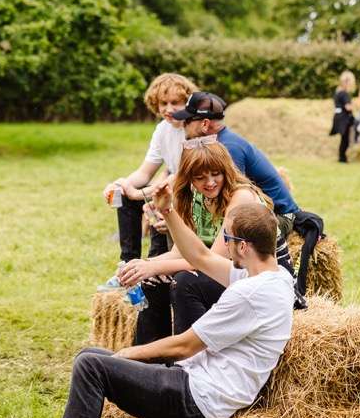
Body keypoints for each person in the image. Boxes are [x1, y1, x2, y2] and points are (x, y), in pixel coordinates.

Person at [0, 202, 294, 418]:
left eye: (227, 239)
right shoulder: (275, 278)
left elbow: (184, 346)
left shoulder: (249, 294)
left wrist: (127, 354)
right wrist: (168, 211)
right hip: (200, 386)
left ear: (243, 247)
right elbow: (200, 258)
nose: (224, 246)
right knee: (91, 356)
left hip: (198, 399)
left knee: (91, 365)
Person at [117, 143, 294, 344]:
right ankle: (151, 358)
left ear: (226, 171)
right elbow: (179, 253)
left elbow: (212, 260)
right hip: (229, 269)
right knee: (152, 280)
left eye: (216, 174)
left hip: (262, 276)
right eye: (200, 177)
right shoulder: (193, 196)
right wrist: (142, 266)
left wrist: (153, 266)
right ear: (190, 178)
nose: (209, 183)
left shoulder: (241, 196)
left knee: (185, 281)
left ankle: (188, 360)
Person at [100, 72, 197, 285]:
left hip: (187, 193)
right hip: (167, 188)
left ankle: (154, 265)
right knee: (125, 195)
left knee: (152, 200)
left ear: (187, 102)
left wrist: (139, 192)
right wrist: (121, 183)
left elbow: (182, 177)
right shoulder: (162, 130)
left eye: (175, 103)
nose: (168, 109)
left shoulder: (192, 128)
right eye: (163, 103)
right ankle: (128, 264)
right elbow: (145, 173)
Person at [168, 91, 299, 221]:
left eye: (187, 120)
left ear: (205, 124)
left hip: (280, 216)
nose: (183, 125)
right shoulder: (220, 143)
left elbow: (232, 198)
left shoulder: (229, 147)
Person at [330, 71, 356, 163]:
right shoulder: (344, 93)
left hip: (338, 116)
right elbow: (348, 107)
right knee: (345, 139)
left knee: (344, 139)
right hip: (344, 118)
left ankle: (342, 157)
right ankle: (342, 157)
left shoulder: (338, 92)